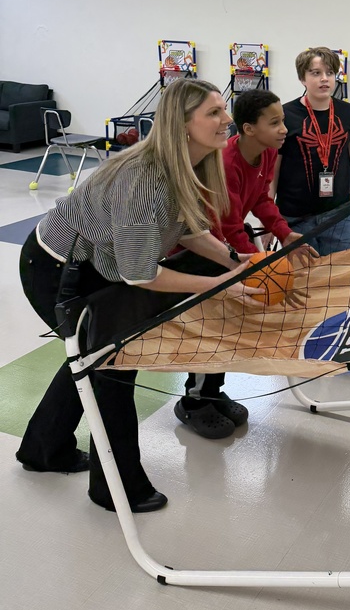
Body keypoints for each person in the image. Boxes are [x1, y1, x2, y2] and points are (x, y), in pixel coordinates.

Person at [15, 79, 263, 513]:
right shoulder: (145, 179)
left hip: (99, 266)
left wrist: (232, 260)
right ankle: (116, 488)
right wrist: (220, 284)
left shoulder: (191, 165)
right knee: (110, 368)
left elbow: (188, 230)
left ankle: (43, 449)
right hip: (57, 269)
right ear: (182, 125)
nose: (227, 120)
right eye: (214, 113)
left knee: (90, 361)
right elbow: (139, 274)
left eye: (225, 110)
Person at [175, 88, 318, 439]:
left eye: (283, 121)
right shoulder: (225, 161)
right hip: (203, 250)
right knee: (209, 325)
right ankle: (193, 402)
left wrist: (285, 234)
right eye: (275, 122)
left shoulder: (267, 154)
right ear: (249, 128)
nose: (285, 128)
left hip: (231, 250)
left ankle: (211, 392)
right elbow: (226, 222)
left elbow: (261, 201)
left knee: (229, 323)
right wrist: (253, 264)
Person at [272, 47, 350, 378]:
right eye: (316, 73)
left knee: (342, 283)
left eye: (329, 73)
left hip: (338, 214)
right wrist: (267, 219)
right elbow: (273, 169)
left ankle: (348, 352)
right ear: (302, 77)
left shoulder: (348, 113)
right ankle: (299, 348)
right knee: (300, 285)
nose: (324, 79)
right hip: (294, 217)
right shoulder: (286, 116)